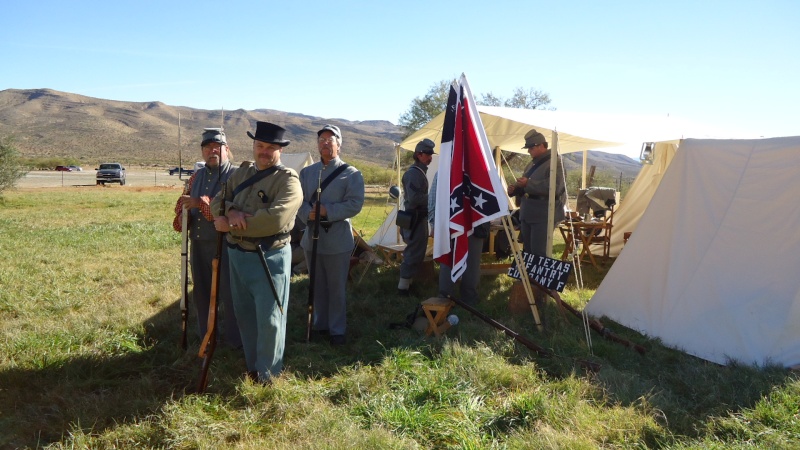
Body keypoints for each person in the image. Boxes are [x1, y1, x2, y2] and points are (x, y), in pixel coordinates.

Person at [211, 121, 302, 383]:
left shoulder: (287, 180)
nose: (263, 151)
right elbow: (219, 200)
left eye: (270, 147)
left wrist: (231, 223)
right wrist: (231, 211)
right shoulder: (242, 173)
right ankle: (253, 366)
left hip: (268, 257)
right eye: (259, 146)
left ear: (280, 150)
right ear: (253, 146)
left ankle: (268, 375)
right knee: (245, 313)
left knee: (270, 318)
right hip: (237, 253)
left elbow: (276, 219)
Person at [172, 127, 241, 349]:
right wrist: (183, 210)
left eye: (217, 147)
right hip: (199, 244)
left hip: (227, 244)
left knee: (230, 294)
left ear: (226, 150)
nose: (212, 151)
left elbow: (234, 212)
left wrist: (202, 204)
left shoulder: (237, 176)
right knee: (201, 293)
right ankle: (207, 335)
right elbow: (183, 209)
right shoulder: (196, 177)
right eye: (207, 148)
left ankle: (234, 340)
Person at [298, 124, 365, 346]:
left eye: (330, 139)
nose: (325, 143)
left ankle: (337, 330)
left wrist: (328, 211)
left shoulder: (351, 174)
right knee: (316, 284)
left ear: (339, 143)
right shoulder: (307, 173)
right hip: (312, 239)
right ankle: (320, 324)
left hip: (337, 239)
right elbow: (298, 202)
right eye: (321, 140)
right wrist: (309, 213)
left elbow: (355, 204)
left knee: (336, 287)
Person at [506, 129, 566, 322]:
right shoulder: (532, 163)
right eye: (529, 148)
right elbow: (527, 187)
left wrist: (528, 183)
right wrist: (516, 188)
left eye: (532, 147)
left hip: (543, 214)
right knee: (529, 252)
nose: (529, 151)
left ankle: (541, 292)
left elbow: (554, 188)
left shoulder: (555, 162)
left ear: (542, 146)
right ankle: (529, 287)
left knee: (540, 252)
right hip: (529, 212)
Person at [428, 171, 488, 306]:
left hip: (473, 223)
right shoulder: (443, 171)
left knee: (471, 262)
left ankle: (466, 298)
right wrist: (434, 223)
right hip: (451, 224)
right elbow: (433, 199)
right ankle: (447, 297)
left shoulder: (480, 168)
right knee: (448, 259)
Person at [397, 138, 435, 296]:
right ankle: (403, 289)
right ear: (419, 155)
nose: (430, 157)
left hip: (417, 218)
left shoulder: (419, 172)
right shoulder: (414, 173)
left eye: (431, 153)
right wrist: (434, 198)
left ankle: (408, 284)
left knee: (417, 252)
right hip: (415, 219)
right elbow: (414, 199)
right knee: (413, 253)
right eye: (427, 154)